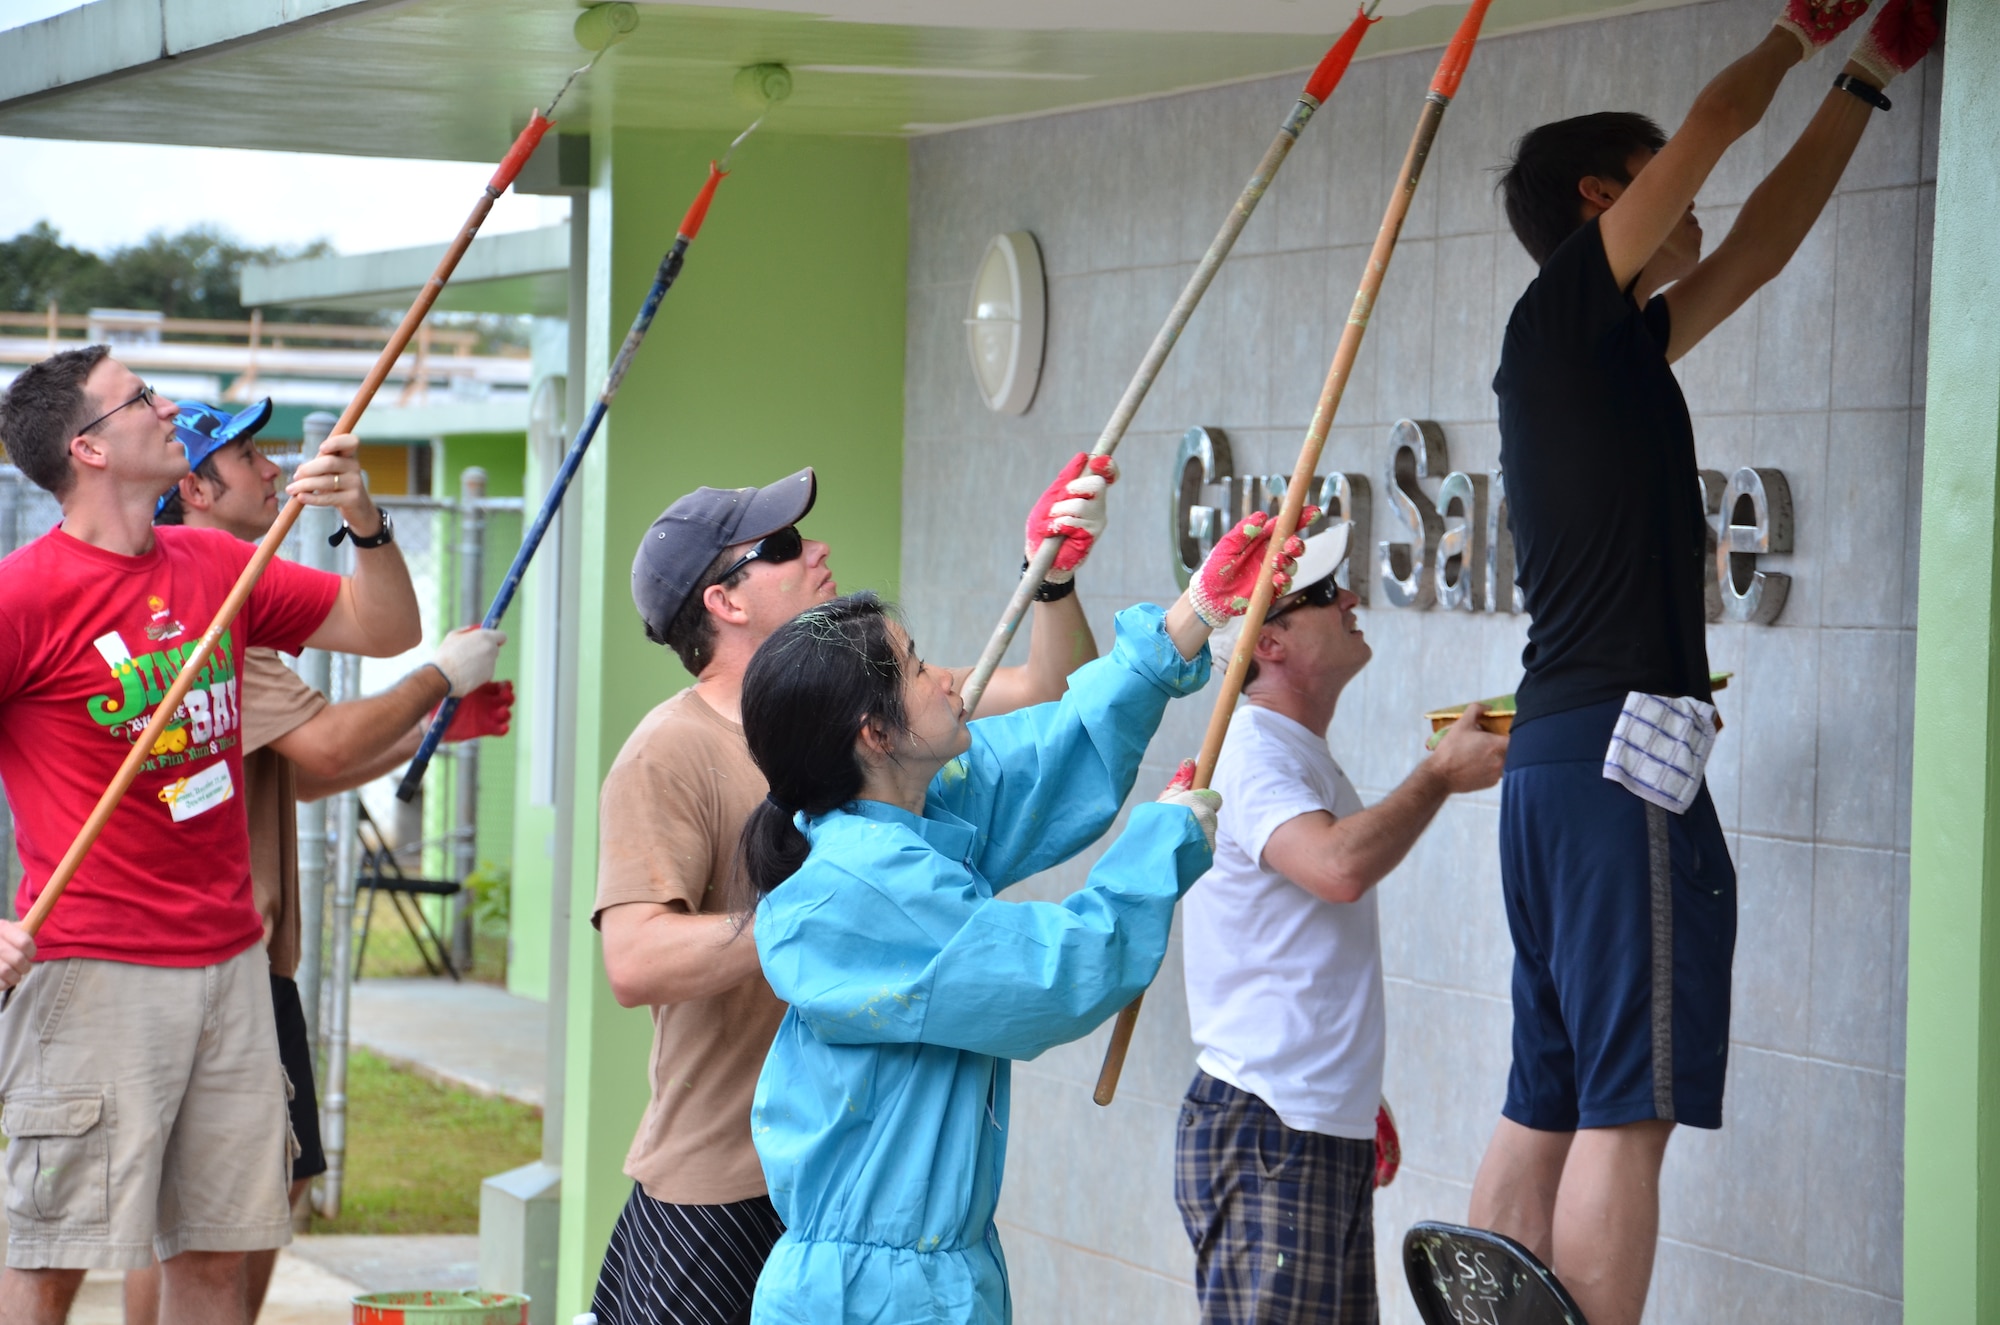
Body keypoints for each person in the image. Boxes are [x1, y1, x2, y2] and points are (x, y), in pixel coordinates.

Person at [1466, 4, 1938, 1323]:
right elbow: (1722, 127)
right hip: (1618, 761)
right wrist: (1798, 33)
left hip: (1559, 763)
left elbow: (1758, 250)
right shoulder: (1563, 311)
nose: (1688, 194)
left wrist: (1863, 78)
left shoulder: (1606, 352)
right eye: (1658, 172)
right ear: (1604, 194)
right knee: (1630, 1114)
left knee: (1548, 1092)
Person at [738, 508, 1304, 1324]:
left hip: (933, 1275)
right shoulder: (865, 886)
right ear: (873, 734)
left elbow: (1055, 749)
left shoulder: (914, 811)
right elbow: (1051, 970)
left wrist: (1195, 615)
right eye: (919, 668)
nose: (950, 679)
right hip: (872, 1296)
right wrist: (1163, 843)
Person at [588, 454, 1117, 1325]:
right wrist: (827, 916)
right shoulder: (667, 750)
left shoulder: (868, 708)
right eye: (787, 543)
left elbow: (1052, 694)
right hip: (726, 1182)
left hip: (860, 1178)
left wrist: (1049, 581)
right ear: (723, 601)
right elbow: (634, 958)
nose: (819, 548)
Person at [0, 346, 422, 1325]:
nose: (169, 405)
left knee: (219, 1256)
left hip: (231, 963)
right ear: (88, 450)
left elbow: (385, 627)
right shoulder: (24, 595)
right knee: (51, 1254)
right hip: (91, 970)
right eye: (140, 397)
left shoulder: (214, 564)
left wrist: (362, 519)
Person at [118, 399, 513, 1325]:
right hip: (211, 959)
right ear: (191, 487)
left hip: (244, 956)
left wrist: (429, 725)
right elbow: (329, 749)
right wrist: (438, 687)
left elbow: (289, 774)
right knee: (200, 1218)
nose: (271, 471)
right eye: (248, 457)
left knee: (256, 1197)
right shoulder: (193, 627)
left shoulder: (230, 603)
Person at [1174, 526, 1507, 1325]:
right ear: (1274, 640)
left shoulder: (1291, 750)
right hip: (1271, 1134)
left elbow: (1301, 942)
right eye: (1327, 595)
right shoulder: (1254, 753)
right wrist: (1437, 776)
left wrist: (1354, 1094)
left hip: (1306, 1125)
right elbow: (1336, 868)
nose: (1352, 599)